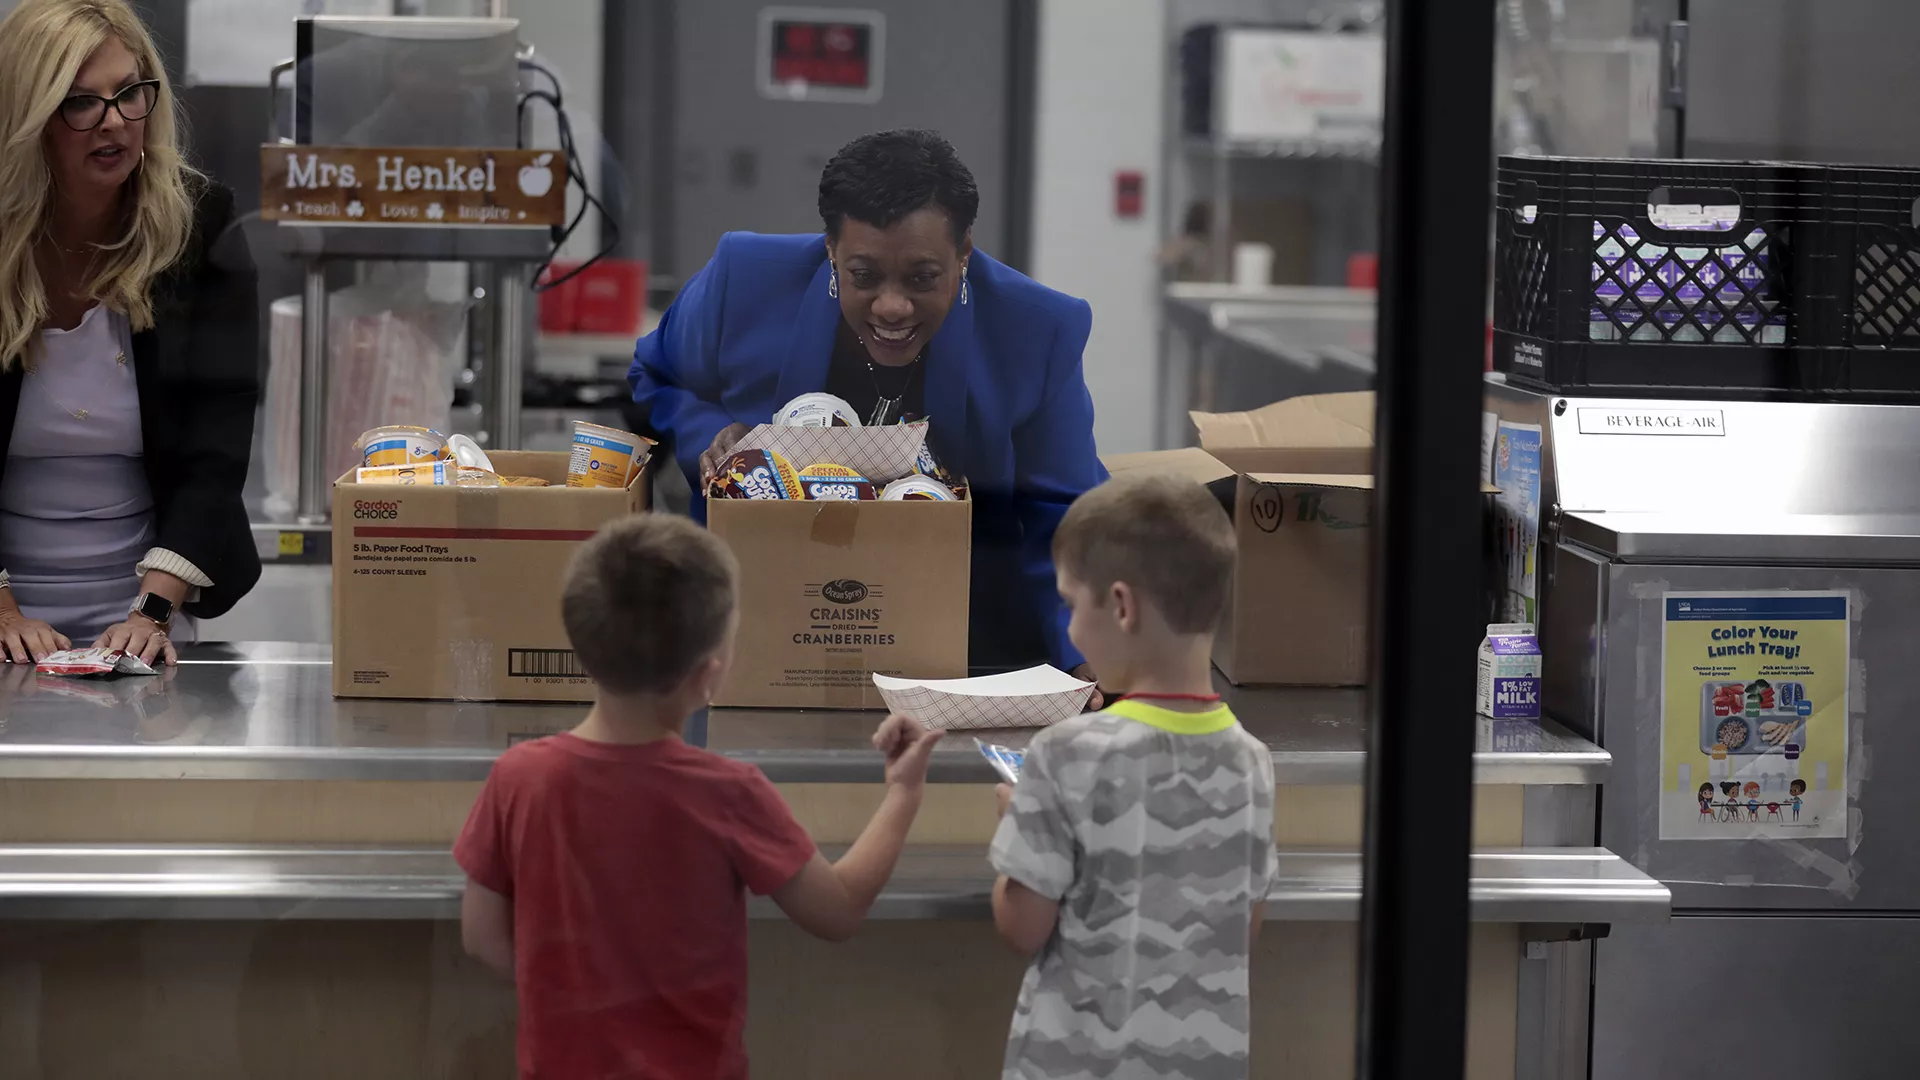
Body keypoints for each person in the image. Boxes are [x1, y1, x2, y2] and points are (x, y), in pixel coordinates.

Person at [455, 514, 944, 1078]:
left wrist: (574, 990)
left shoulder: (518, 779)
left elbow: (482, 936)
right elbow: (837, 911)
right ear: (709, 674)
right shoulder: (728, 793)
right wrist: (903, 794)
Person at [629, 128, 1105, 682]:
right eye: (864, 276)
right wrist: (714, 433)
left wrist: (1085, 649)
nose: (893, 306)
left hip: (971, 632)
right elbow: (657, 373)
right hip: (759, 618)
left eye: (923, 278)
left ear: (965, 253)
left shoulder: (1038, 329)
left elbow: (1066, 514)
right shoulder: (746, 281)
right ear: (831, 250)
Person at [988, 473, 1277, 1080]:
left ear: (1120, 606)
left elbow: (1022, 926)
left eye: (1070, 605)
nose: (1068, 630)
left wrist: (1020, 824)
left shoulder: (1064, 754)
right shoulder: (1253, 763)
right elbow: (1241, 933)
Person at [0, 0, 259, 666]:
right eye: (81, 103)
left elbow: (217, 446)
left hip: (145, 609)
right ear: (27, 118)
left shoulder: (199, 225)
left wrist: (152, 609)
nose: (115, 121)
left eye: (129, 93)